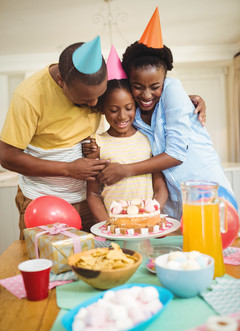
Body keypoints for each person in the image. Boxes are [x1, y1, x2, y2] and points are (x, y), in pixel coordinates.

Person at [94, 8, 237, 220]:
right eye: (137, 86)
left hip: (206, 190)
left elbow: (176, 154)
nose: (146, 94)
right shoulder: (132, 110)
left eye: (155, 86)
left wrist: (125, 170)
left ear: (164, 80)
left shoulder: (173, 89)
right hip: (175, 201)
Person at [0, 36, 110, 238]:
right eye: (85, 100)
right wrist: (68, 169)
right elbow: (6, 156)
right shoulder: (29, 96)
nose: (95, 104)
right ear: (61, 81)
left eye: (99, 95)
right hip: (42, 200)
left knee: (96, 260)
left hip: (89, 200)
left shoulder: (96, 89)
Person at [87, 45, 169, 222]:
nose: (122, 116)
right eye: (114, 110)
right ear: (102, 109)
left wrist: (151, 215)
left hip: (147, 223)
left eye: (129, 108)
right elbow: (93, 193)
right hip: (115, 226)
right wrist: (109, 225)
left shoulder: (148, 139)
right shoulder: (97, 143)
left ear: (136, 105)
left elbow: (160, 187)